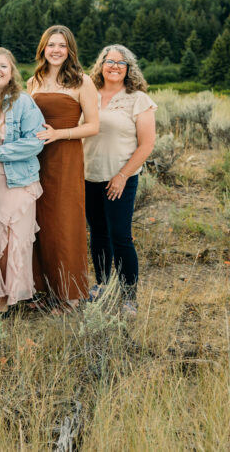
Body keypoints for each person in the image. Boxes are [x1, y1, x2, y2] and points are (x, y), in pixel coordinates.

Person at [27, 25, 99, 313]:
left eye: (62, 45)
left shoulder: (82, 82)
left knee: (64, 222)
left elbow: (93, 126)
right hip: (35, 159)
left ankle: (69, 295)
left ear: (70, 50)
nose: (56, 50)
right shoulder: (34, 81)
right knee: (37, 222)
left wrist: (59, 134)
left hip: (65, 157)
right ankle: (42, 290)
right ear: (43, 48)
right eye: (51, 44)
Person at [84, 45, 156, 316]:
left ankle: (129, 296)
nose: (114, 66)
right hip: (88, 175)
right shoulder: (89, 93)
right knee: (98, 234)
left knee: (121, 236)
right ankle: (103, 285)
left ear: (129, 68)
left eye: (121, 62)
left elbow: (147, 144)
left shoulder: (138, 99)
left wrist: (123, 175)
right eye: (109, 61)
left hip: (120, 178)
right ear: (101, 65)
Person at [0, 48, 46, 313]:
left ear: (12, 71)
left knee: (12, 243)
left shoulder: (23, 102)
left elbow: (35, 141)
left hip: (15, 181)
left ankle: (4, 303)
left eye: (3, 66)